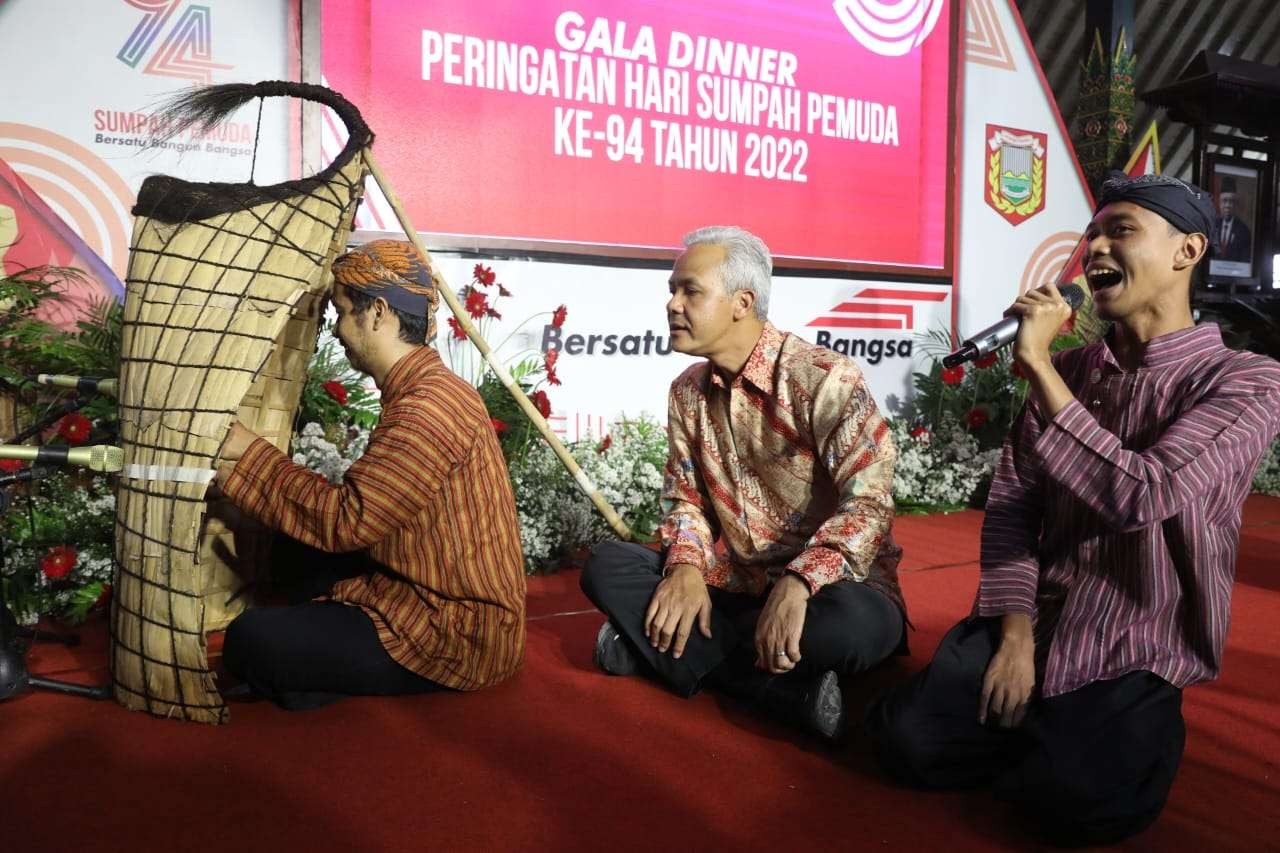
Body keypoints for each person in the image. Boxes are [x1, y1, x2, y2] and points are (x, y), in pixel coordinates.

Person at [866, 173, 1280, 845]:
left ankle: (1090, 732)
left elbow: (1141, 494)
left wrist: (1040, 368)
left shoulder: (1246, 381)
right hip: (1040, 616)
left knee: (1086, 803)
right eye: (1093, 234)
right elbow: (1012, 506)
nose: (1096, 249)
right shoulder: (1076, 370)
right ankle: (1039, 723)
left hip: (1134, 637)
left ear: (1188, 251)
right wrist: (1016, 638)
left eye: (1122, 231)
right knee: (902, 741)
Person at [580, 226, 907, 740]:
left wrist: (799, 583)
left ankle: (662, 652)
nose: (672, 304)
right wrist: (685, 570)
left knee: (847, 631)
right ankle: (783, 693)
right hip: (737, 583)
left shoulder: (823, 378)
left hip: (833, 592)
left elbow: (869, 505)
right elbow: (686, 499)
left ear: (742, 302)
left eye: (690, 290)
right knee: (607, 565)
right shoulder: (686, 392)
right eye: (672, 289)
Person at [215, 239, 526, 710]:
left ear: (378, 312)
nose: (336, 330)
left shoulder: (429, 406)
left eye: (341, 312)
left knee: (249, 641)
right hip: (416, 583)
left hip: (456, 630)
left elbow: (346, 522)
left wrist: (246, 452)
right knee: (287, 550)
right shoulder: (424, 388)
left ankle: (314, 672)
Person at [1215, 176, 1252, 263]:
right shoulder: (1213, 226)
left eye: (1231, 201)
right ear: (1219, 204)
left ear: (1235, 205)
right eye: (1224, 201)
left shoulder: (1244, 231)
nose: (1227, 205)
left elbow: (1245, 261)